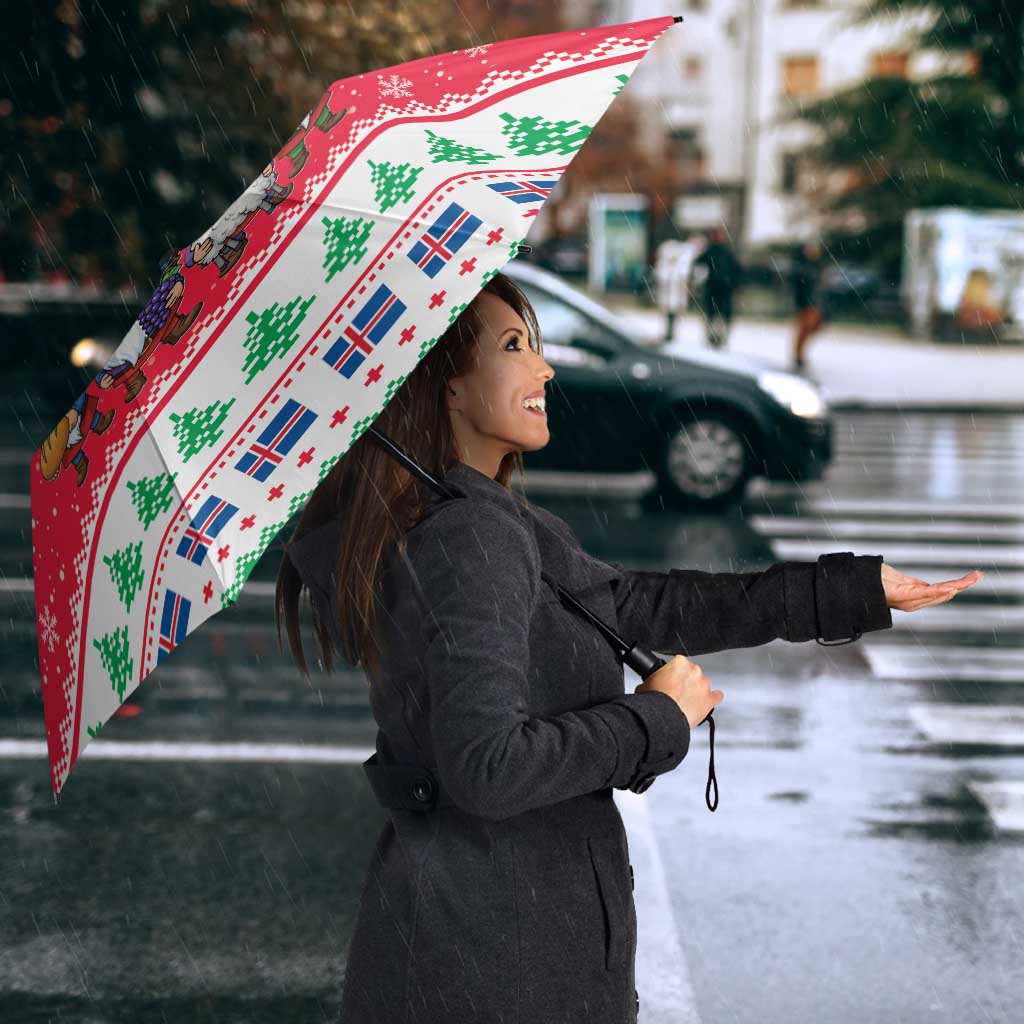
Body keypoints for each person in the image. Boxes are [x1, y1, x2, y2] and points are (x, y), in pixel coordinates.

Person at [275, 272, 971, 1024]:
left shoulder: (469, 519)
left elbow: (640, 605)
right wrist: (657, 719)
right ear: (447, 386)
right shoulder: (470, 537)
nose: (544, 368)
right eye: (514, 347)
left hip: (476, 940)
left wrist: (849, 591)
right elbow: (488, 767)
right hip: (499, 962)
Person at [692, 226, 742, 349]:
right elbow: (698, 263)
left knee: (719, 315)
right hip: (716, 288)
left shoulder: (724, 252)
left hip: (722, 289)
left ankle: (719, 337)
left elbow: (736, 270)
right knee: (714, 314)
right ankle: (713, 337)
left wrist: (735, 284)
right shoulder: (714, 251)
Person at [790, 239, 826, 370]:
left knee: (812, 327)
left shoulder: (816, 266)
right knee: (804, 329)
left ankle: (799, 354)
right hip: (805, 303)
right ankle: (798, 355)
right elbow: (799, 286)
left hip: (814, 303)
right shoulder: (802, 267)